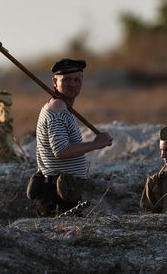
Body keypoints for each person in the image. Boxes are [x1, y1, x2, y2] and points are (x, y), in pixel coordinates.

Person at [35, 58, 113, 217]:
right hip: (56, 193)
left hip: (64, 190)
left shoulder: (62, 107)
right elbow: (61, 150)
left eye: (77, 80)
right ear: (54, 82)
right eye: (66, 80)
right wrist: (96, 144)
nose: (72, 84)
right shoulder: (57, 108)